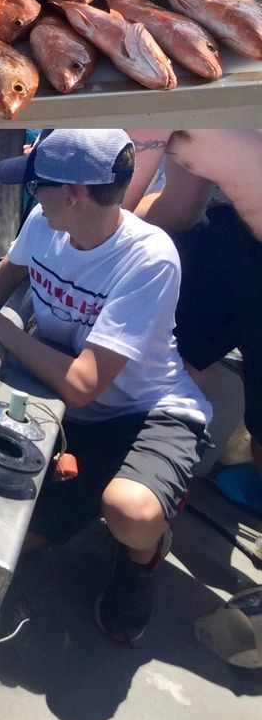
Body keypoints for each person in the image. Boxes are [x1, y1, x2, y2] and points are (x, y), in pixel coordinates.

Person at [0, 128, 211, 647]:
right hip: (75, 414)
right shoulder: (45, 221)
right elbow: (5, 279)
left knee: (130, 513)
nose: (31, 196)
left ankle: (144, 556)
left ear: (71, 193)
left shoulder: (150, 259)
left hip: (147, 411)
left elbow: (81, 385)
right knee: (5, 539)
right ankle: (85, 482)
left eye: (36, 186)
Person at [124, 128, 262, 510]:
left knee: (162, 354)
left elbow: (174, 212)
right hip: (235, 232)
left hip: (232, 239)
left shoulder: (186, 100)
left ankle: (156, 474)